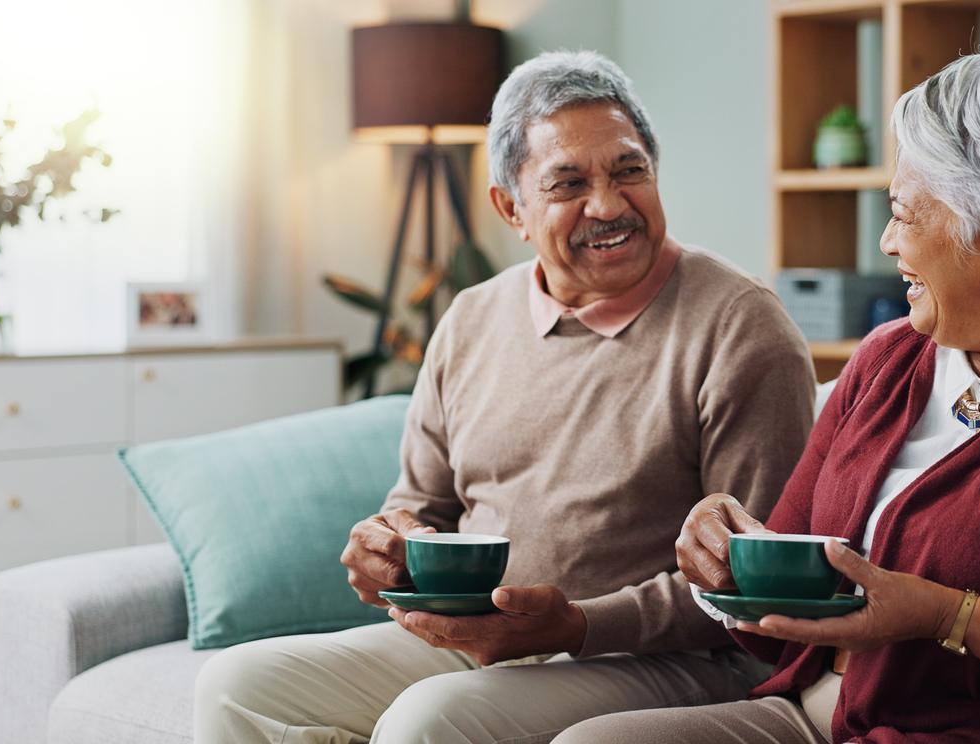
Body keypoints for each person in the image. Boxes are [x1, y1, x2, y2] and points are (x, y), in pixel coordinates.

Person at [554, 35, 980, 744]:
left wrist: (947, 615)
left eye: (903, 211)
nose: (888, 241)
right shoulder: (889, 359)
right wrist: (729, 550)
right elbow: (776, 631)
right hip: (806, 715)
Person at [193, 50, 817, 743]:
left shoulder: (740, 325)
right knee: (237, 687)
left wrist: (576, 625)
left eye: (628, 170)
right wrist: (388, 546)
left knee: (431, 721)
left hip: (669, 658)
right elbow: (420, 507)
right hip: (483, 636)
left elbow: (757, 588)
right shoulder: (470, 319)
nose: (608, 205)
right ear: (510, 208)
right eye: (568, 183)